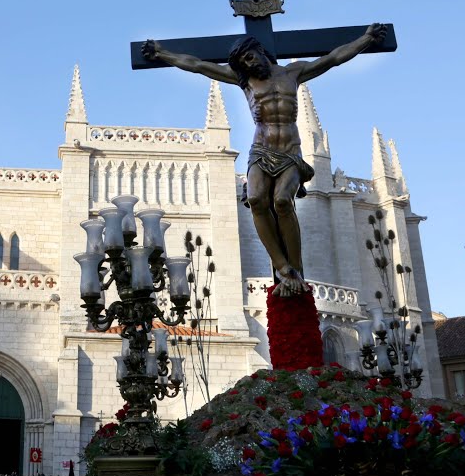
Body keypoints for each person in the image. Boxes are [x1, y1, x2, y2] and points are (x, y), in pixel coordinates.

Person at [143, 23, 386, 297]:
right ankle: (283, 268)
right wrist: (162, 53)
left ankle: (295, 267)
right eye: (242, 62)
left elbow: (332, 59)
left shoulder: (293, 73)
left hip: (290, 153)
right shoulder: (244, 80)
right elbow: (197, 65)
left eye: (249, 57)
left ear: (259, 51)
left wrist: (365, 39)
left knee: (283, 200)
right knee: (257, 200)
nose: (248, 64)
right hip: (260, 150)